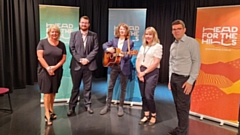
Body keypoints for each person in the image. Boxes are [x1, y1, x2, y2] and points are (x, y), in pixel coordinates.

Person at [168, 20, 201, 135]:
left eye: (179, 29)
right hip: (174, 78)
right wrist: (169, 80)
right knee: (178, 105)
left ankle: (182, 132)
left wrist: (191, 81)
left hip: (185, 80)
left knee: (183, 107)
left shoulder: (192, 43)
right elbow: (171, 63)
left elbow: (196, 62)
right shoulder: (173, 45)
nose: (176, 31)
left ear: (184, 30)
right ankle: (180, 128)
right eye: (174, 29)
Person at [100, 23, 134, 117]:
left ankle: (121, 107)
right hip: (114, 66)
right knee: (110, 86)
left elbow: (130, 54)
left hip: (124, 66)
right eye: (120, 29)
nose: (122, 31)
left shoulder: (129, 42)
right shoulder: (114, 40)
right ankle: (107, 106)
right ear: (118, 30)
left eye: (124, 29)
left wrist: (125, 56)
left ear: (126, 31)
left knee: (123, 88)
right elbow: (104, 45)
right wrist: (108, 49)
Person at [67, 16, 99, 116]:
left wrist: (87, 59)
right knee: (75, 87)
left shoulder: (94, 35)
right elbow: (71, 48)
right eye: (82, 22)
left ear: (88, 24)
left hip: (89, 65)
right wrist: (80, 59)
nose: (84, 24)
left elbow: (96, 49)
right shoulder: (73, 34)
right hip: (76, 65)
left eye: (86, 23)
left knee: (88, 87)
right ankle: (72, 107)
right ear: (79, 23)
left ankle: (87, 105)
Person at [37, 24, 66, 126]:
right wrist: (48, 68)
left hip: (57, 71)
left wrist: (54, 67)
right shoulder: (42, 42)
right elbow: (40, 57)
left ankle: (51, 109)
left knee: (53, 92)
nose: (54, 34)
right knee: (47, 92)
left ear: (59, 34)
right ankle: (46, 114)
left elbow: (63, 58)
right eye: (52, 32)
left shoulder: (61, 44)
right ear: (49, 32)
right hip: (44, 71)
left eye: (56, 32)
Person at [136, 27, 162, 126]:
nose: (148, 36)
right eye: (146, 34)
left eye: (150, 34)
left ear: (154, 36)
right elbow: (138, 60)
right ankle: (146, 115)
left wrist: (144, 72)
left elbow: (156, 63)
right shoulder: (143, 47)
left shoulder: (158, 46)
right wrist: (139, 72)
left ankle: (153, 115)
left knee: (148, 95)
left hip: (151, 72)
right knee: (143, 95)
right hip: (141, 72)